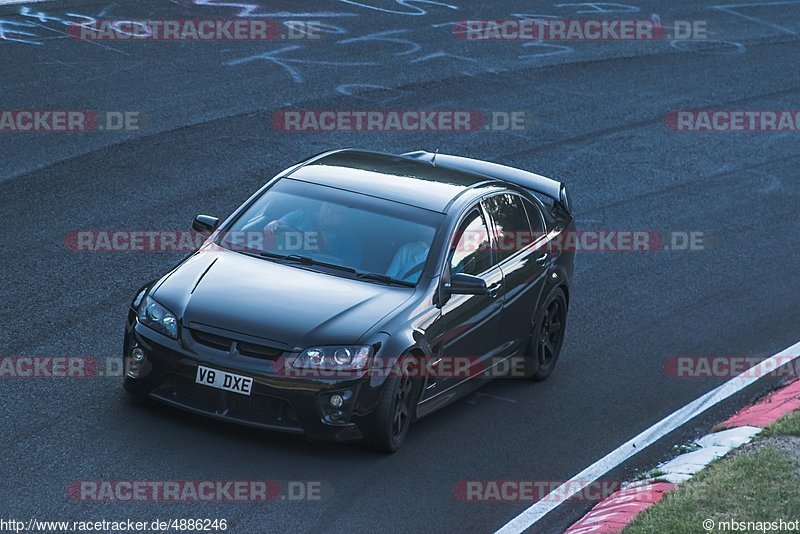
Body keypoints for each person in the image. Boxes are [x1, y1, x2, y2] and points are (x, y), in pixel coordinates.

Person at [265, 202, 363, 268]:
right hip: (283, 262)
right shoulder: (303, 215)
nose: (328, 212)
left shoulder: (350, 239)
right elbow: (280, 224)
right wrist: (274, 224)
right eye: (327, 206)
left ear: (346, 218)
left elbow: (348, 269)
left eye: (336, 211)